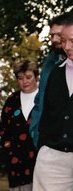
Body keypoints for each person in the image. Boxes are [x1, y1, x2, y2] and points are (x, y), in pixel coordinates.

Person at [31, 15, 73, 191]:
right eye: (66, 41)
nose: (68, 46)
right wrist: (41, 142)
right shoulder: (54, 71)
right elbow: (42, 107)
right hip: (54, 152)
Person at [0, 60, 38, 191]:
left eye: (28, 77)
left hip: (40, 159)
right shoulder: (12, 100)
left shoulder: (44, 98)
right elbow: (3, 128)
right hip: (17, 161)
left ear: (37, 76)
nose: (24, 82)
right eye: (20, 78)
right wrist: (8, 148)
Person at [29, 13, 70, 148]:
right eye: (52, 35)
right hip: (49, 148)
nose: (54, 39)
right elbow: (40, 100)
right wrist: (35, 133)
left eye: (58, 34)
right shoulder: (51, 62)